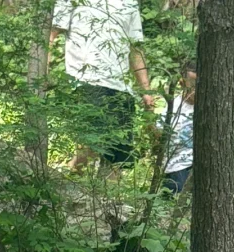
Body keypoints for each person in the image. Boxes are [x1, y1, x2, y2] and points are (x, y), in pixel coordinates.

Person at [50, 0, 155, 168]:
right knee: (88, 148)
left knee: (118, 160)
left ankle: (103, 194)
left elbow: (135, 48)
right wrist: (44, 72)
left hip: (121, 87)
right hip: (86, 81)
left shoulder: (130, 2)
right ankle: (70, 182)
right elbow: (51, 34)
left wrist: (146, 90)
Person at [161, 65, 195, 193]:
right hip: (177, 165)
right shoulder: (173, 106)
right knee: (176, 192)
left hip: (201, 162)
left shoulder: (212, 105)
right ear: (182, 83)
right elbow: (159, 135)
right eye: (193, 85)